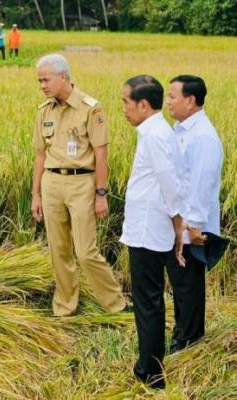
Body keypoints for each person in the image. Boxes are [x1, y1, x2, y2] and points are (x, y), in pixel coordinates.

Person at [31, 54, 127, 317]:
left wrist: (101, 193)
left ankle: (115, 304)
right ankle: (65, 306)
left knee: (86, 251)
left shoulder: (90, 108)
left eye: (46, 80)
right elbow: (40, 154)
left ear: (63, 77)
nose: (42, 85)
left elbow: (101, 154)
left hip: (82, 183)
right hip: (51, 183)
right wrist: (35, 194)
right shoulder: (44, 111)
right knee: (58, 250)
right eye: (39, 80)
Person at [119, 75, 184, 389]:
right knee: (151, 299)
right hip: (149, 226)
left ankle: (150, 372)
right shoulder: (156, 131)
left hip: (148, 229)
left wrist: (177, 222)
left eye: (126, 102)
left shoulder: (155, 135)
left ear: (143, 105)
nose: (123, 109)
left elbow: (169, 181)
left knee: (147, 300)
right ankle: (150, 363)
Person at [166, 75, 224, 353]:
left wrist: (195, 226)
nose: (167, 102)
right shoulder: (182, 129)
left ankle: (188, 340)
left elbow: (203, 181)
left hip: (191, 226)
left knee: (188, 284)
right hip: (182, 223)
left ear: (190, 100)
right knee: (181, 281)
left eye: (172, 97)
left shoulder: (202, 136)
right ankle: (184, 333)